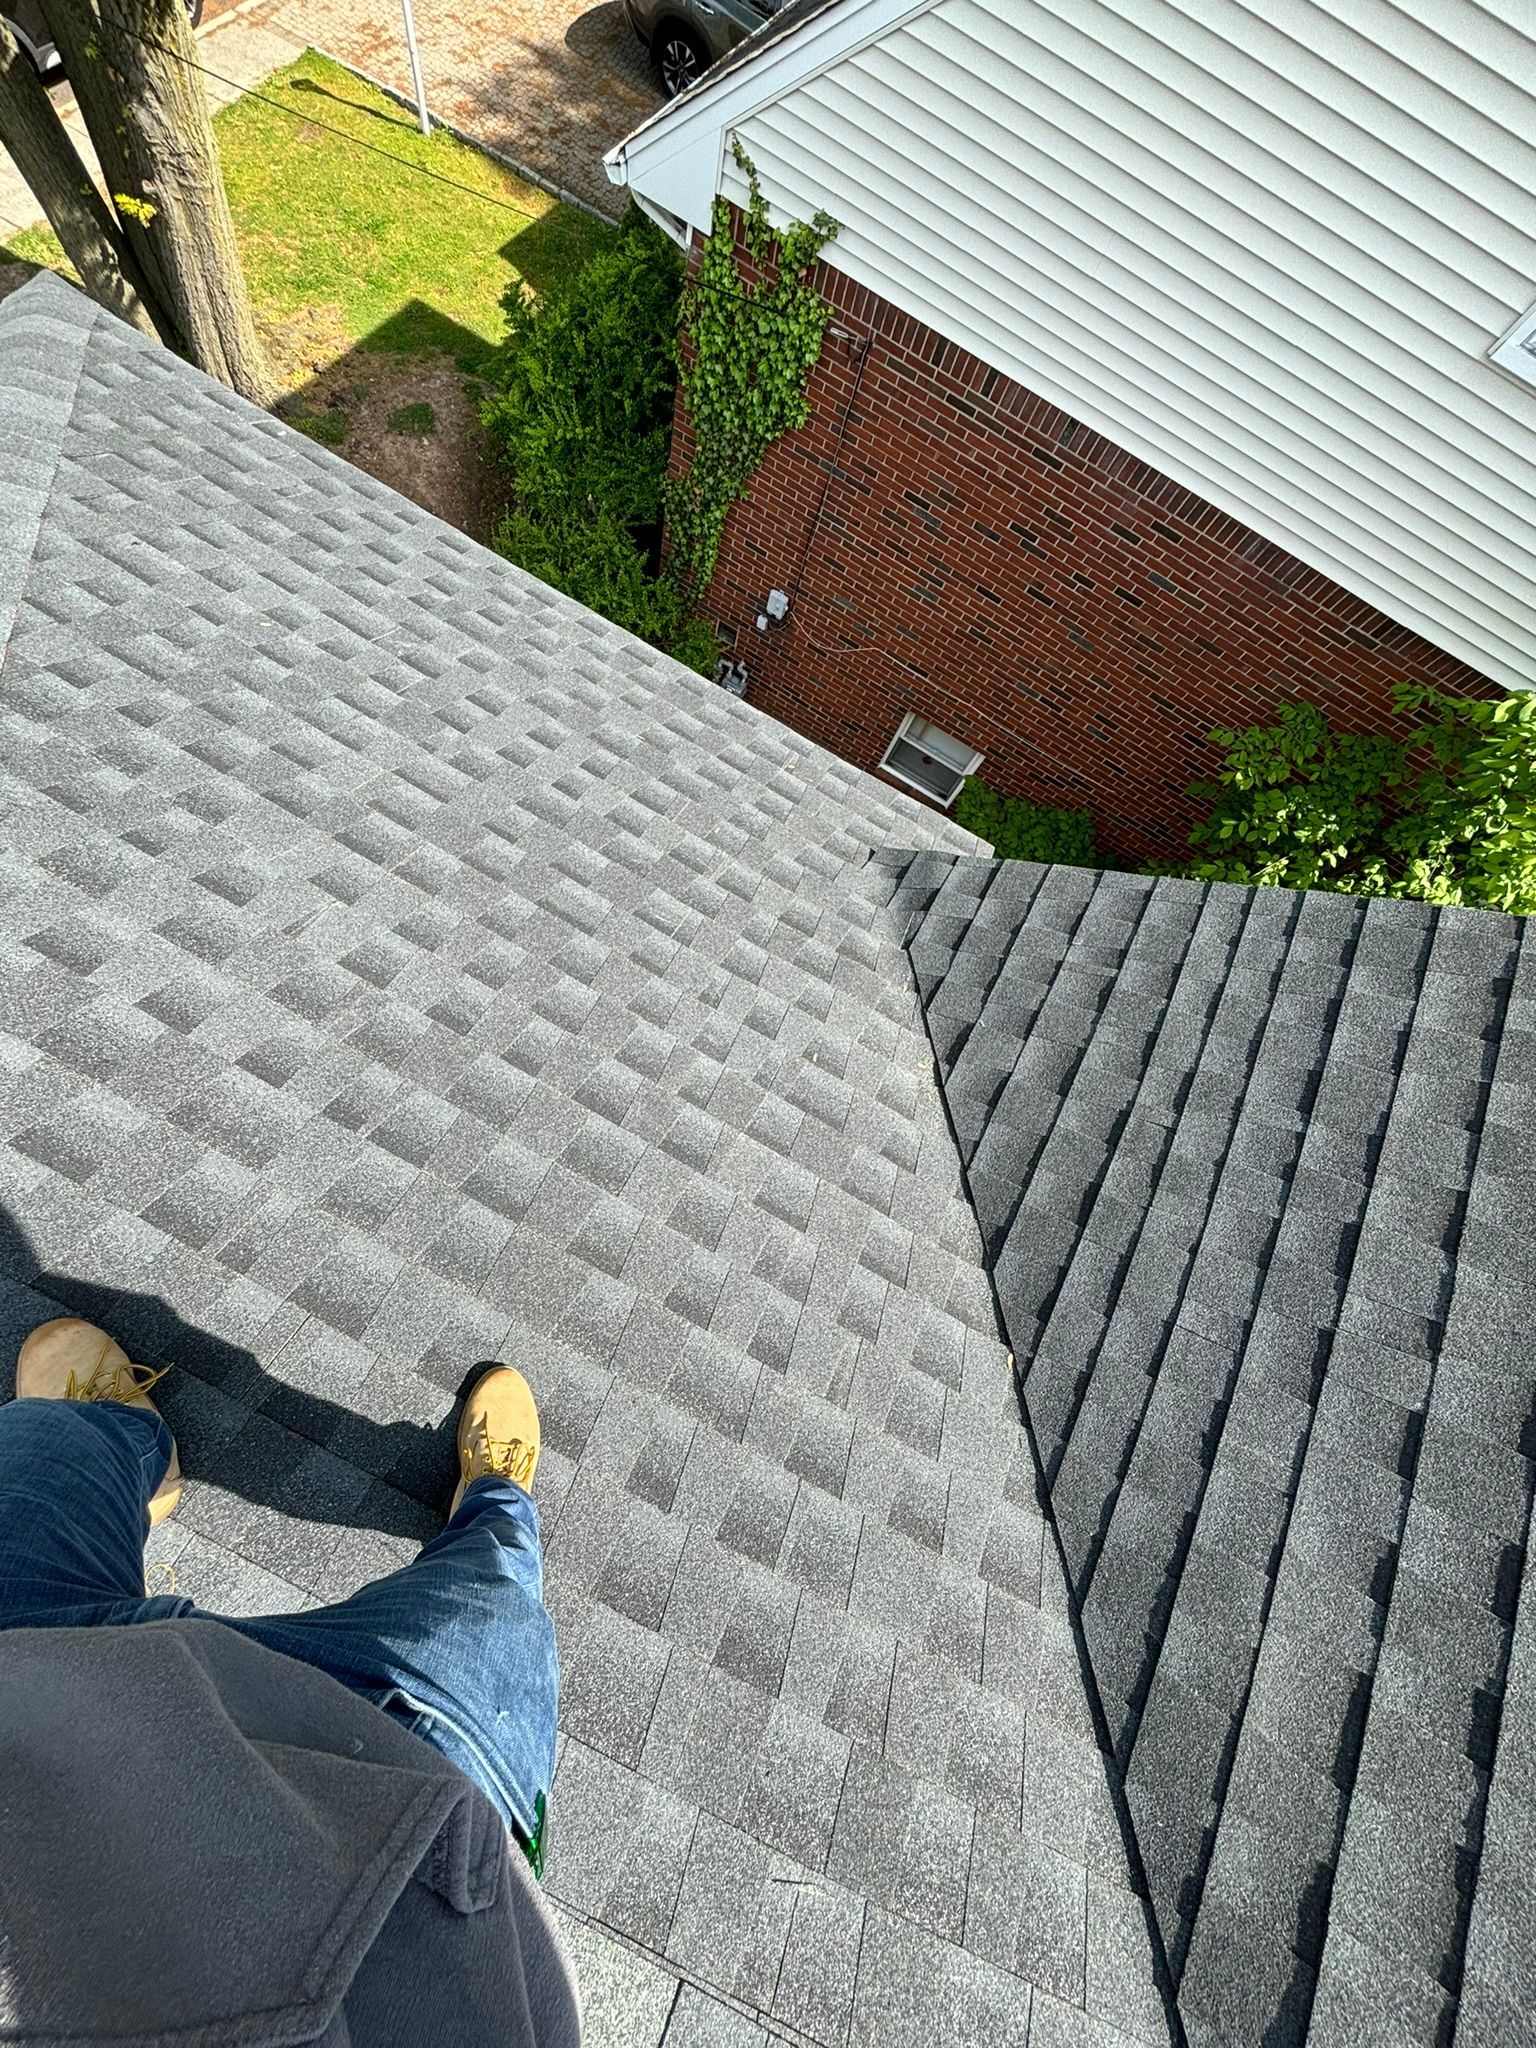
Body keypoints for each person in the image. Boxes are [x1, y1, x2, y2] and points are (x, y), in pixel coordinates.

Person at [0, 1315, 580, 2046]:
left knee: (42, 1452)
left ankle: (123, 1433)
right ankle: (495, 1504)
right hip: (404, 1773)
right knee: (491, 1601)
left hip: (38, 1686)